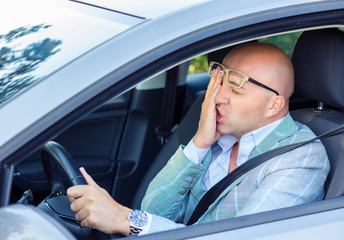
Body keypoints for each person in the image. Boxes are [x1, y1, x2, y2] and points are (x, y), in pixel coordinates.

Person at [67, 42, 330, 236]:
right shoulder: (218, 137)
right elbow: (154, 210)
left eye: (235, 90)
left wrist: (126, 219)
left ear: (274, 105)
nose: (217, 97)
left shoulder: (301, 157)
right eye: (218, 83)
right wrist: (200, 144)